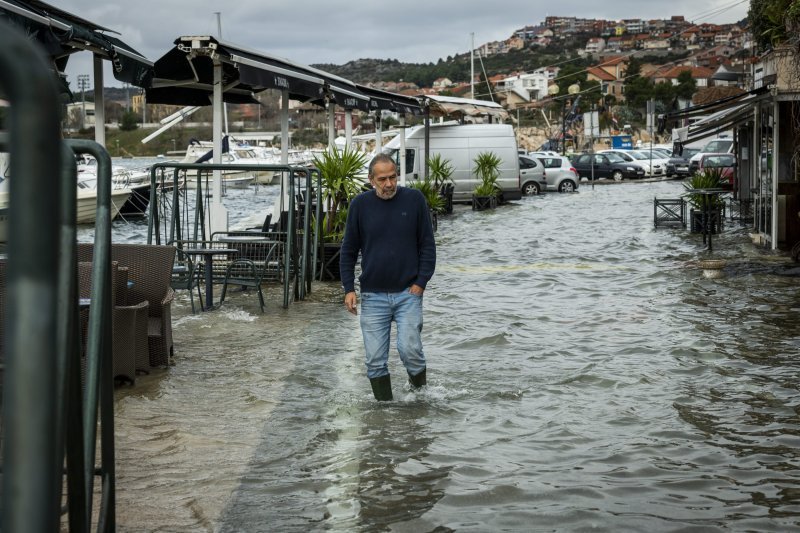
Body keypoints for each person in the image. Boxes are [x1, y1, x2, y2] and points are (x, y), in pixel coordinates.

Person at [340, 153, 436, 401]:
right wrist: (348, 288)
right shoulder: (359, 205)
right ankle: (384, 416)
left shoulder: (414, 200)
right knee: (374, 360)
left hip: (408, 293)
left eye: (393, 177)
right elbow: (348, 250)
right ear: (371, 180)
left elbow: (427, 245)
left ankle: (420, 398)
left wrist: (421, 283)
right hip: (373, 296)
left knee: (410, 350)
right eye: (382, 179)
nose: (389, 184)